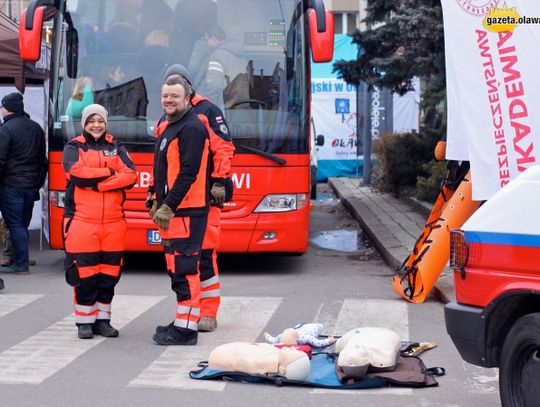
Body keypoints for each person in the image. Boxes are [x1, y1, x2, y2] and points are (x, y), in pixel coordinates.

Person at [151, 64, 235, 333]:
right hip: (176, 203)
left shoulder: (207, 111)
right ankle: (189, 312)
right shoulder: (166, 119)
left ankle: (207, 313)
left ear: (188, 89)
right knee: (178, 259)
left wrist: (220, 181)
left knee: (204, 255)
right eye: (167, 90)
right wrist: (154, 191)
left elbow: (223, 149)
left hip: (203, 198)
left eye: (177, 89)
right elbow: (161, 164)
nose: (171, 97)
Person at [62, 104, 137, 339]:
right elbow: (76, 174)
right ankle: (84, 321)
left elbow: (131, 175)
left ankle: (103, 320)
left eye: (101, 121)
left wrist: (99, 184)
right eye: (91, 121)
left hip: (114, 224)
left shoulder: (116, 146)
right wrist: (110, 173)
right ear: (84, 123)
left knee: (109, 275)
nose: (96, 125)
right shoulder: (73, 146)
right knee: (84, 274)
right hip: (82, 222)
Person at [150, 75, 211, 346]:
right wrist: (153, 194)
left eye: (175, 96)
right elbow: (164, 169)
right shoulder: (170, 126)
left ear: (187, 98)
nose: (169, 100)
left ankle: (186, 331)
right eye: (165, 96)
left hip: (187, 211)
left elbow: (189, 172)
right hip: (176, 211)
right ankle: (182, 321)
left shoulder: (192, 128)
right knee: (176, 268)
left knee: (186, 269)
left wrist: (168, 204)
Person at [0, 92, 46, 274]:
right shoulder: (36, 128)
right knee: (22, 224)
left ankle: (21, 264)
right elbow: (43, 160)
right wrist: (38, 183)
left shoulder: (6, 129)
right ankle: (22, 259)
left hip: (11, 185)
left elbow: (1, 160)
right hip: (30, 185)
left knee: (15, 225)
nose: (1, 110)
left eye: (2, 107)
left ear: (7, 108)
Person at [191, 27, 249, 110]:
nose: (206, 43)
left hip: (224, 106)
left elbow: (214, 86)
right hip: (241, 106)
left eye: (207, 40)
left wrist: (207, 108)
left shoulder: (217, 56)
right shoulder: (241, 57)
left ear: (214, 39)